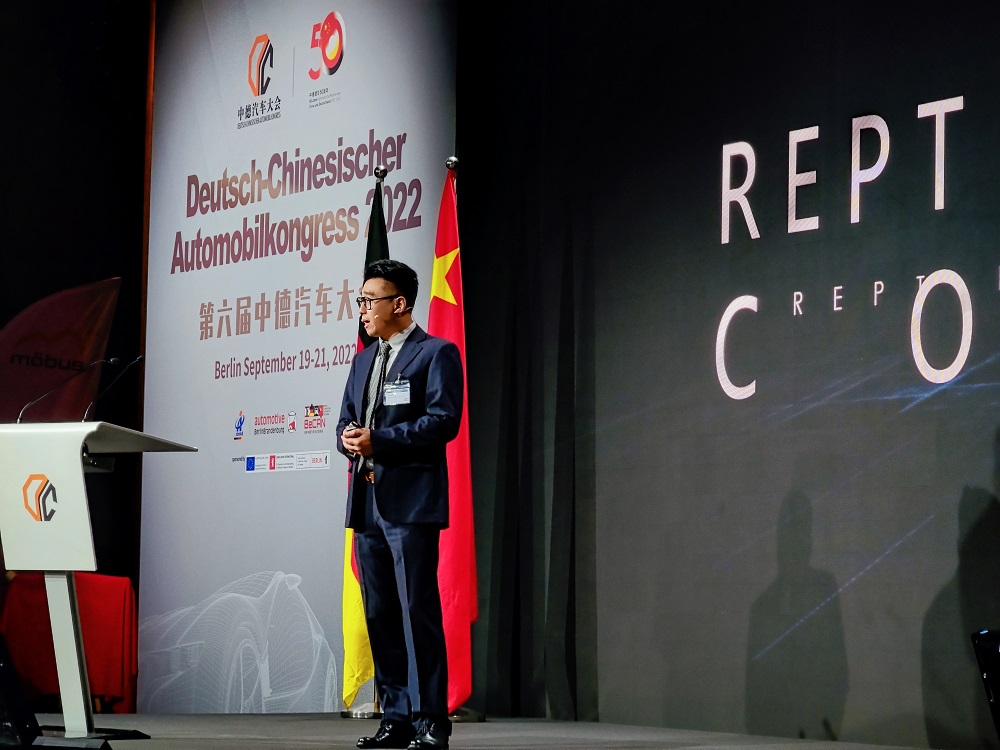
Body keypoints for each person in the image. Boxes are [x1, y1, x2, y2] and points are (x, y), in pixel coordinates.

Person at [337, 259, 463, 750]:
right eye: (361, 300)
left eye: (371, 300)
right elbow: (347, 420)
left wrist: (380, 441)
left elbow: (442, 421)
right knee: (380, 613)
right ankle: (396, 718)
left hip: (409, 503)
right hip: (367, 501)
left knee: (416, 612)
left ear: (400, 303)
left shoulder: (436, 353)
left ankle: (432, 720)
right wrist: (349, 439)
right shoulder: (362, 361)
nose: (363, 309)